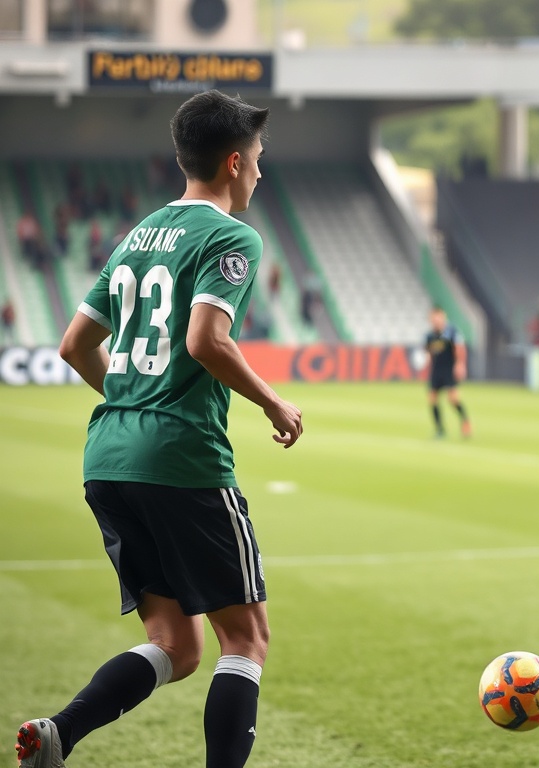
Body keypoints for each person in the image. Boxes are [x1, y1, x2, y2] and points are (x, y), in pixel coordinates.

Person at [15, 90, 303, 768]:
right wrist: (273, 403)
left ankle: (60, 733)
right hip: (180, 458)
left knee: (178, 644)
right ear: (234, 162)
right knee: (246, 639)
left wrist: (131, 398)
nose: (260, 171)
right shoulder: (232, 236)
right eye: (258, 159)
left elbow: (74, 345)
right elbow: (208, 340)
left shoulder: (138, 234)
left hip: (109, 457)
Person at [425, 306, 471, 438]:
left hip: (449, 369)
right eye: (433, 317)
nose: (436, 320)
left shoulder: (452, 332)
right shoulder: (430, 336)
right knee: (432, 399)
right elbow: (429, 353)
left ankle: (465, 420)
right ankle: (440, 429)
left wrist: (460, 364)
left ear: (443, 317)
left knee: (453, 399)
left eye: (438, 317)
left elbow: (460, 349)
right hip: (436, 370)